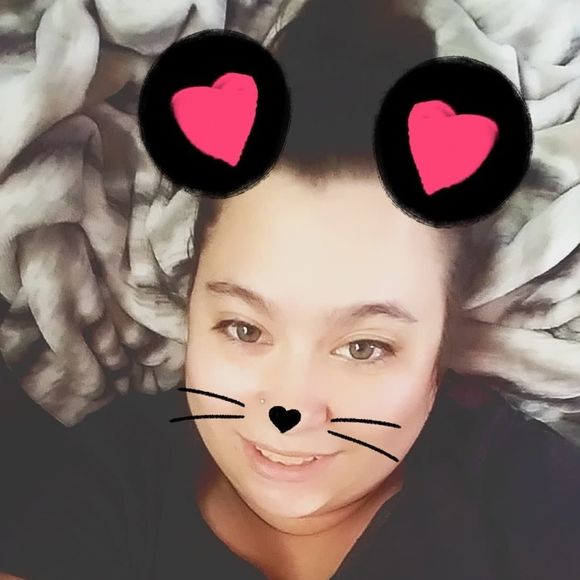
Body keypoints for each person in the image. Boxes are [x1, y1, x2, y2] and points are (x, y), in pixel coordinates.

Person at [1, 0, 580, 579]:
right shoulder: (109, 481)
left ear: (441, 348)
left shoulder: (524, 495)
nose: (290, 407)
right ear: (191, 306)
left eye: (364, 347)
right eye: (244, 329)